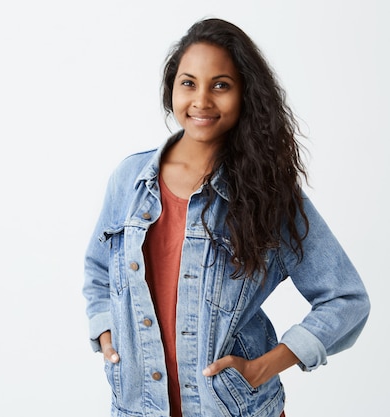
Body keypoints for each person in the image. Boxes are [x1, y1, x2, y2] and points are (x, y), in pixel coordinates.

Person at [82, 18, 370, 417]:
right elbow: (100, 267)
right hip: (137, 406)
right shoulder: (129, 179)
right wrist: (105, 328)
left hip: (233, 409)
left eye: (220, 85)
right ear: (171, 90)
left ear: (244, 95)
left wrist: (262, 368)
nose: (201, 100)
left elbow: (345, 298)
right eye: (188, 83)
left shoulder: (268, 193)